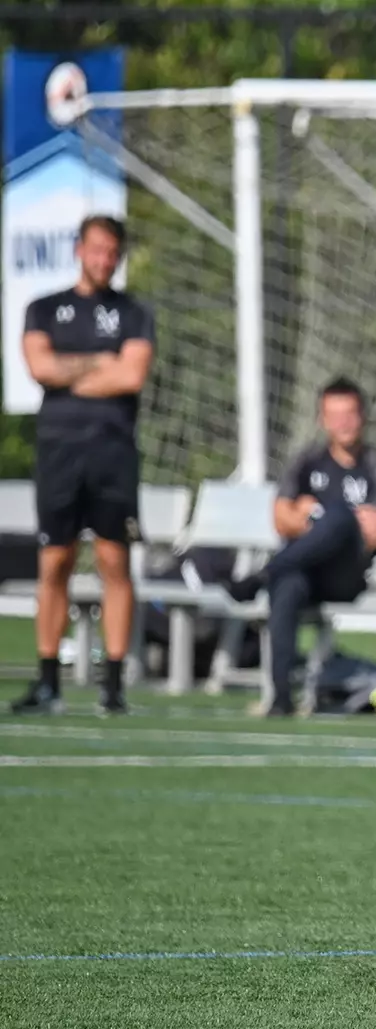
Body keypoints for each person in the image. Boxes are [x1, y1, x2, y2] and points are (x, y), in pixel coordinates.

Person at [12, 216, 155, 716]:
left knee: (115, 562)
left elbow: (132, 374)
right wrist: (99, 362)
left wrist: (72, 368)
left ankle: (112, 684)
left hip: (113, 454)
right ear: (79, 250)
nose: (103, 260)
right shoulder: (45, 309)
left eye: (112, 252)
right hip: (59, 453)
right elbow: (40, 368)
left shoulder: (134, 314)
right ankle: (48, 680)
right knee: (56, 562)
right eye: (96, 250)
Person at [227, 378, 376, 717]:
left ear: (362, 417)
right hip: (303, 568)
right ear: (322, 419)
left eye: (349, 414)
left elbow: (372, 532)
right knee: (288, 583)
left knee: (338, 518)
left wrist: (315, 516)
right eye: (335, 416)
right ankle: (280, 698)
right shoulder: (308, 460)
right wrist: (321, 523)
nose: (343, 423)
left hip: (346, 574)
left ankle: (262, 574)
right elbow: (280, 518)